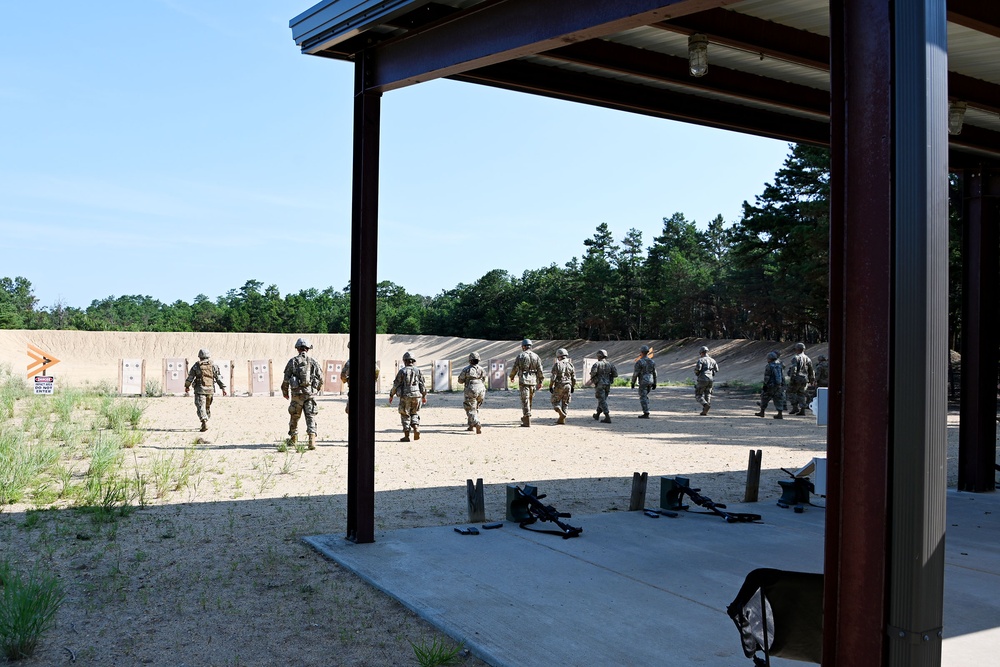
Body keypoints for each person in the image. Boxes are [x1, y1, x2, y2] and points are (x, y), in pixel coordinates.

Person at [281, 338, 324, 449]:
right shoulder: (313, 361)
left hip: (296, 395)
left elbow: (286, 379)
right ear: (308, 349)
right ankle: (311, 441)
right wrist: (315, 390)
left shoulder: (292, 361)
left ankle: (293, 440)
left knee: (294, 417)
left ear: (297, 349)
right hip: (309, 395)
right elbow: (321, 378)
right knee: (311, 417)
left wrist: (285, 392)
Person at [184, 348, 227, 432]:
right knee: (207, 406)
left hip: (200, 390)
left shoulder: (196, 366)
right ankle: (206, 419)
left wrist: (187, 386)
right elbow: (218, 378)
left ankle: (204, 421)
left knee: (200, 406)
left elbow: (190, 378)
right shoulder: (213, 365)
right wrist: (223, 388)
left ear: (199, 356)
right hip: (210, 390)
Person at [389, 351, 427, 441]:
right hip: (417, 395)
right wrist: (424, 396)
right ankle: (416, 427)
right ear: (413, 361)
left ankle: (406, 436)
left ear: (405, 361)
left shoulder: (402, 371)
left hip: (405, 396)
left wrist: (391, 395)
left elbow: (396, 385)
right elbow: (422, 385)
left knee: (405, 414)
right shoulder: (418, 371)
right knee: (414, 413)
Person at [508, 338, 544, 427]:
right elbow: (540, 370)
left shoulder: (521, 356)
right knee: (530, 399)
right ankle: (527, 415)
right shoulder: (536, 356)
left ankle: (526, 417)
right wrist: (540, 381)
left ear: (523, 347)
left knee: (525, 399)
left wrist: (512, 376)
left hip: (523, 380)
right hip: (533, 380)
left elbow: (515, 367)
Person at [341, 341, 380, 414]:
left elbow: (343, 375)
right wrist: (373, 380)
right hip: (366, 390)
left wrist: (345, 380)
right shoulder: (368, 359)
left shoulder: (350, 361)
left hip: (354, 390)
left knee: (351, 411)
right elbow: (377, 370)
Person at [457, 351, 486, 434]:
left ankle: (476, 423)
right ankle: (470, 425)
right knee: (475, 407)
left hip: (471, 390)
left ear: (470, 360)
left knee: (469, 407)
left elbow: (460, 380)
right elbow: (484, 379)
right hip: (481, 389)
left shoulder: (466, 369)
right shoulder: (482, 369)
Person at [786, 342, 815, 416]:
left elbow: (794, 368)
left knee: (790, 392)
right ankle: (802, 409)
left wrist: (792, 377)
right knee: (801, 394)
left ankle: (795, 406)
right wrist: (812, 379)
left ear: (797, 349)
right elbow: (811, 370)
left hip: (797, 378)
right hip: (805, 379)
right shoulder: (808, 358)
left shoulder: (796, 358)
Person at [590, 349, 618, 423]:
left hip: (600, 384)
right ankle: (597, 415)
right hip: (607, 384)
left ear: (599, 356)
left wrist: (594, 379)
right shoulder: (610, 364)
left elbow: (593, 373)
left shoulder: (597, 364)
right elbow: (615, 374)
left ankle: (607, 416)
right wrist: (609, 377)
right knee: (602, 400)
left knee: (602, 400)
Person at [756, 350, 787, 419]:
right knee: (778, 398)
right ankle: (780, 413)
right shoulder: (779, 365)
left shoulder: (769, 366)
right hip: (779, 385)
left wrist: (765, 385)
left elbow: (768, 377)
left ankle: (762, 412)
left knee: (764, 397)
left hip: (771, 385)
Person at [549, 348, 576, 424]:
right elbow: (574, 378)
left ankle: (560, 413)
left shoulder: (557, 364)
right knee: (565, 402)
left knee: (554, 401)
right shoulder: (571, 365)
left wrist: (550, 386)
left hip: (560, 385)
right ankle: (562, 419)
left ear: (558, 356)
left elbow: (553, 377)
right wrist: (573, 386)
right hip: (568, 385)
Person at [631, 345, 657, 418]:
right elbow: (654, 373)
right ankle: (646, 407)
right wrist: (655, 382)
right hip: (650, 380)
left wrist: (633, 382)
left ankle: (646, 412)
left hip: (643, 381)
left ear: (641, 352)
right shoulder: (652, 361)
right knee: (645, 395)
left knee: (643, 397)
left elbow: (635, 374)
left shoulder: (639, 362)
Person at [694, 345, 719, 415]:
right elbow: (717, 369)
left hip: (702, 378)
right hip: (710, 379)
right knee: (708, 394)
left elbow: (698, 369)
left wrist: (697, 373)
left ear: (701, 353)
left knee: (698, 395)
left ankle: (705, 405)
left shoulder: (701, 360)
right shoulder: (713, 360)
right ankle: (705, 410)